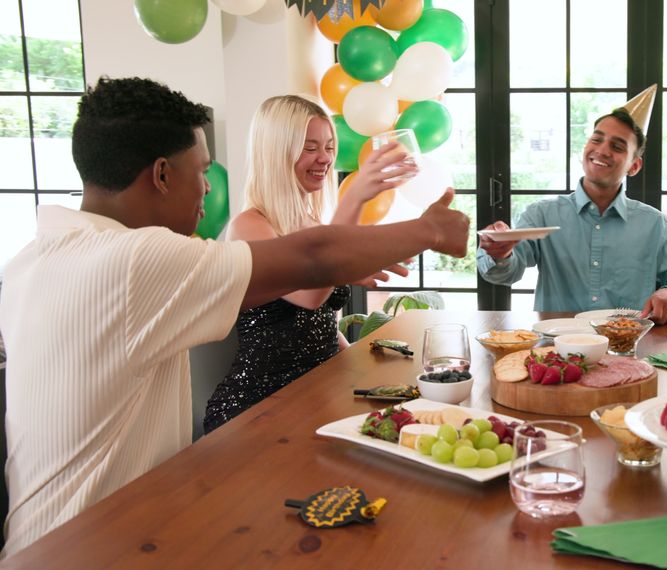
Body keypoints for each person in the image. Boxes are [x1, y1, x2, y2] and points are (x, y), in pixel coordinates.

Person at [0, 77, 469, 556]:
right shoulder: (136, 260)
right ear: (162, 175)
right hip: (90, 548)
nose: (207, 186)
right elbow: (312, 259)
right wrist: (430, 229)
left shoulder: (30, 260)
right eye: (201, 170)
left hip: (59, 538)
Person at [202, 95, 413, 434]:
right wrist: (356, 196)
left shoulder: (313, 221)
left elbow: (318, 320)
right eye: (310, 147)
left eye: (329, 147)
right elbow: (309, 296)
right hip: (258, 406)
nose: (325, 158)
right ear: (276, 153)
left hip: (315, 391)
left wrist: (360, 359)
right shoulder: (251, 225)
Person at [476, 85, 667, 324]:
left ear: (634, 166)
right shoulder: (542, 214)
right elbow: (504, 273)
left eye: (617, 146)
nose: (602, 150)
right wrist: (501, 254)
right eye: (597, 139)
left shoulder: (657, 226)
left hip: (629, 351)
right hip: (557, 352)